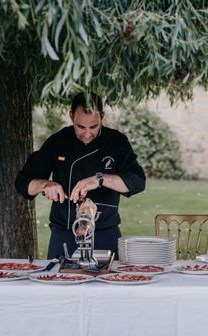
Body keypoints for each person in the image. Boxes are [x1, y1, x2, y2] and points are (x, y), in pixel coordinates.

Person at [15, 92, 146, 259]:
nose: (87, 134)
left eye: (93, 127)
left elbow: (137, 181)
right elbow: (22, 182)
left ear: (102, 117)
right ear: (71, 116)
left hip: (105, 233)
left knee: (111, 283)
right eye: (80, 127)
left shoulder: (116, 142)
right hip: (64, 234)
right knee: (58, 282)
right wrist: (45, 185)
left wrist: (100, 179)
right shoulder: (58, 142)